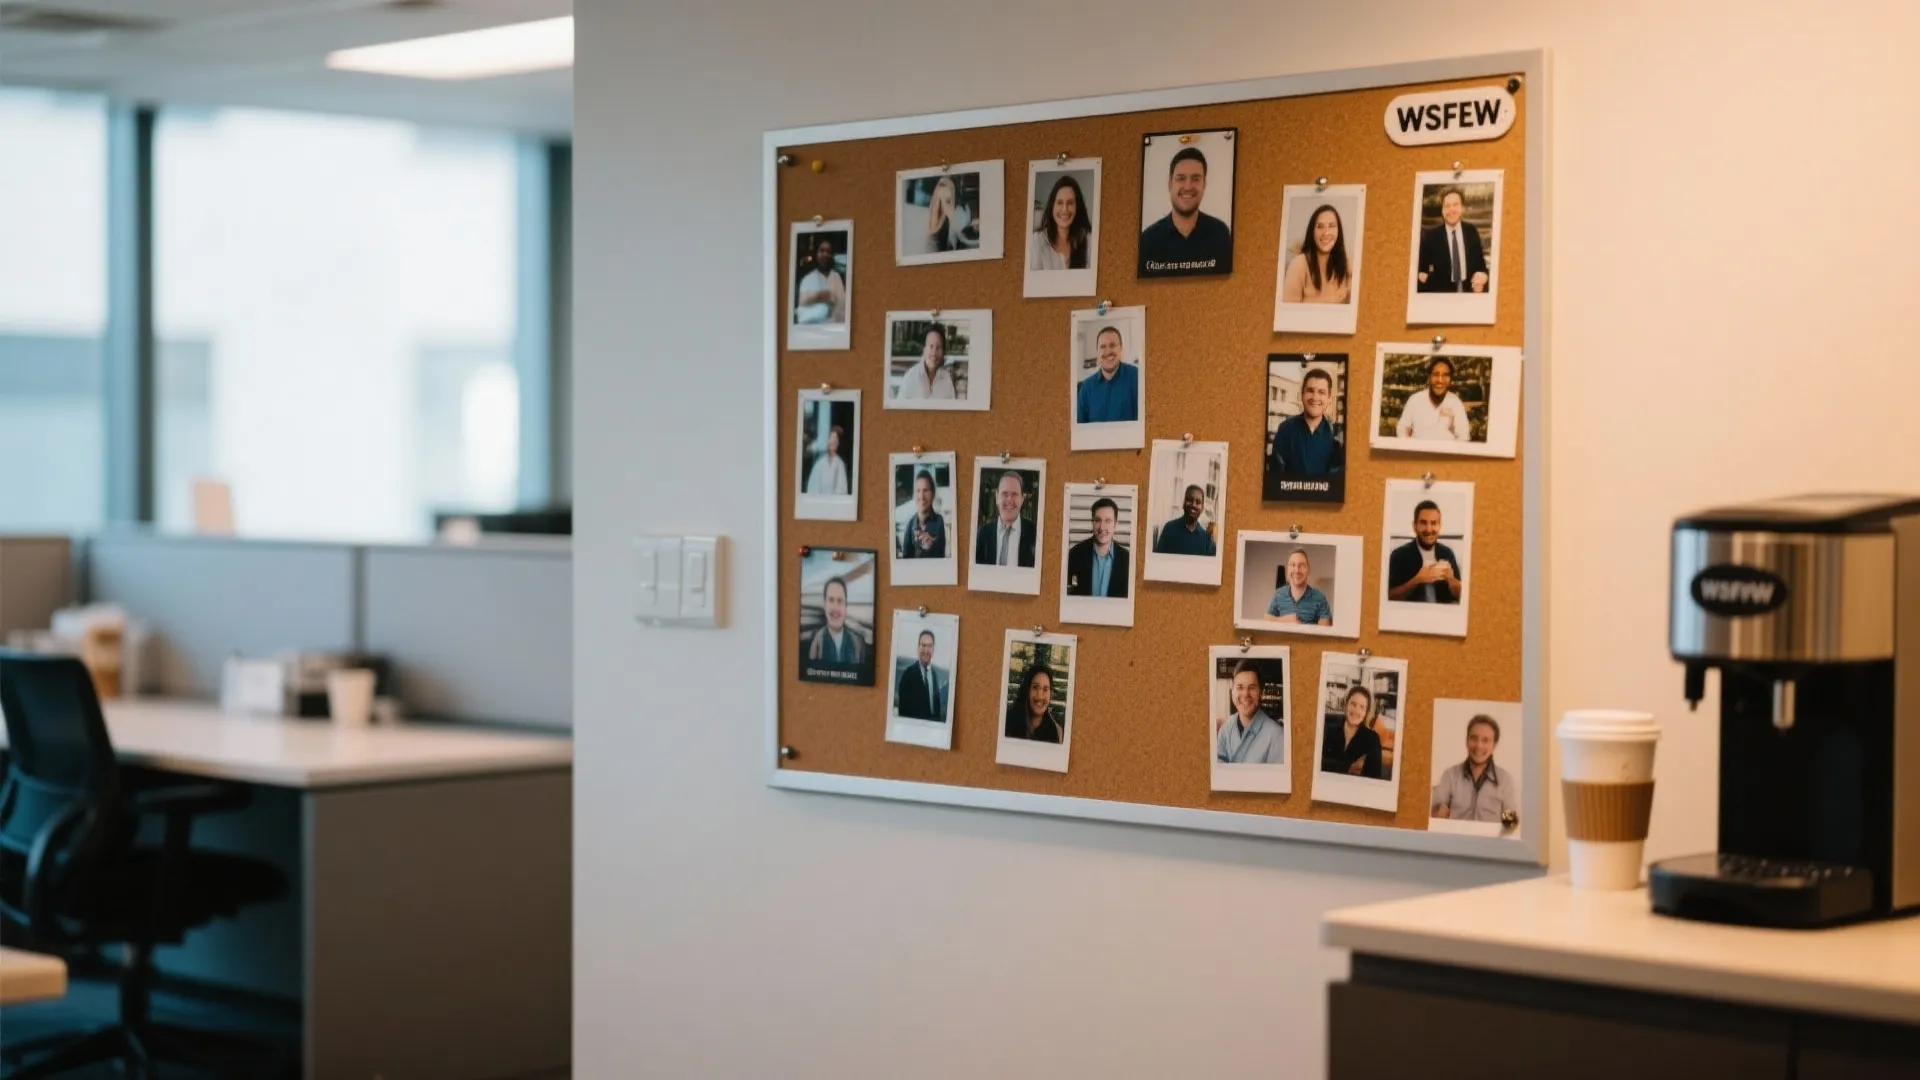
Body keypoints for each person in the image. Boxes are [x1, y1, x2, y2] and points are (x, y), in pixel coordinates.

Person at [1138, 146, 1233, 273]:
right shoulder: (1148, 240)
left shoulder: (1220, 234)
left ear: (1204, 185)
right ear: (1170, 184)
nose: (1188, 187)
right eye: (1181, 178)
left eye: (1195, 179)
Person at [1431, 714, 1515, 822]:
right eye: (1474, 738)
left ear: (1494, 745)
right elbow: (1432, 810)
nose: (1479, 745)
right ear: (1467, 741)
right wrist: (1438, 810)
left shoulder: (1505, 780)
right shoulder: (1450, 775)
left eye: (1485, 740)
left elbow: (1512, 823)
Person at [1266, 367, 1343, 478]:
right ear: (1302, 394)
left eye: (1321, 392)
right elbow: (1275, 477)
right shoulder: (1285, 429)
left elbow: (1338, 480)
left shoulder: (1336, 436)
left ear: (1329, 398)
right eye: (1310, 391)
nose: (1315, 397)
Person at [1387, 499, 1463, 604]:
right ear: (1414, 526)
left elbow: (1463, 597)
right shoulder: (1399, 555)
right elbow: (1389, 596)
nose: (1429, 529)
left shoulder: (1447, 553)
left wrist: (1451, 580)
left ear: (1440, 526)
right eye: (1423, 523)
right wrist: (1417, 580)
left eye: (1434, 523)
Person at [1415, 187, 1488, 293]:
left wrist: (1482, 277)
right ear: (1442, 210)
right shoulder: (1431, 237)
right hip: (1442, 295)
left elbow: (1481, 265)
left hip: (1469, 292)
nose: (1451, 210)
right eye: (1447, 206)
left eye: (1455, 205)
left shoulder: (1471, 231)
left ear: (1462, 208)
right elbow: (1421, 271)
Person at [1216, 660, 1284, 765]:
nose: (1245, 694)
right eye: (1240, 687)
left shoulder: (1276, 735)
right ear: (1232, 691)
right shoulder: (1225, 728)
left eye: (1252, 688)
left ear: (1260, 692)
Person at [1279, 204, 1351, 304]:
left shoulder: (1346, 263)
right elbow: (1288, 310)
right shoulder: (1299, 264)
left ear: (1339, 231)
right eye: (1320, 227)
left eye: (1331, 226)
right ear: (1312, 232)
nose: (1326, 233)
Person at [1394, 357, 1471, 442]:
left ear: (1450, 379)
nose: (1440, 380)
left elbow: (1464, 437)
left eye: (1445, 375)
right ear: (1429, 377)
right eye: (1436, 374)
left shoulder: (1456, 403)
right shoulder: (1415, 400)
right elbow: (1402, 428)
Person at [1066, 497, 1130, 598]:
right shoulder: (1074, 555)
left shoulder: (1127, 560)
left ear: (1115, 525)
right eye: (1097, 520)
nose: (1102, 527)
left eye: (1108, 521)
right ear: (1092, 522)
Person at [1074, 326, 1139, 424]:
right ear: (1097, 352)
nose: (1108, 351)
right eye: (1103, 347)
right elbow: (1079, 429)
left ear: (1121, 348)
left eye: (1112, 345)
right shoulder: (1086, 388)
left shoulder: (1137, 378)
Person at [973, 471, 1036, 568]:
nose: (1009, 499)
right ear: (997, 497)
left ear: (1022, 499)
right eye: (1005, 494)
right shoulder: (983, 534)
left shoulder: (1035, 533)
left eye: (1014, 494)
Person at [1029, 173, 1091, 271]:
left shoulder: (1089, 241)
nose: (1064, 209)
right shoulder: (1037, 241)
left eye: (1070, 203)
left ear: (1077, 207)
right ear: (1052, 206)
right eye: (1060, 203)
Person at [805, 576, 868, 671]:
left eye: (840, 601)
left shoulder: (858, 643)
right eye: (831, 600)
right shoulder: (814, 642)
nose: (835, 607)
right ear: (824, 604)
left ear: (846, 606)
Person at [1321, 685, 1383, 779]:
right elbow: (1319, 765)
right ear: (1346, 705)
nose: (1356, 710)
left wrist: (1335, 766)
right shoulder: (1329, 731)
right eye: (1353, 704)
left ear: (1366, 712)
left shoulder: (1373, 739)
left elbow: (1375, 778)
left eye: (1362, 707)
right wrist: (1348, 768)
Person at [894, 629, 951, 722]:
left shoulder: (934, 676)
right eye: (923, 645)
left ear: (933, 649)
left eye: (929, 646)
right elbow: (903, 711)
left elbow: (936, 708)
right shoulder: (908, 675)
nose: (926, 650)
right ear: (918, 647)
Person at [1266, 548, 1333, 626]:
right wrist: (1286, 620)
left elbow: (1325, 630)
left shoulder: (1320, 598)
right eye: (1293, 565)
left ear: (1308, 570)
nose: (1297, 570)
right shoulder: (1278, 594)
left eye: (1301, 565)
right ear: (1288, 569)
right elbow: (1267, 618)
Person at [895, 325, 958, 401]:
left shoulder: (947, 379)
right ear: (924, 349)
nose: (934, 353)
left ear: (943, 352)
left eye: (938, 347)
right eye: (931, 346)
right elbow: (900, 407)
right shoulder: (910, 378)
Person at [1003, 662, 1062, 743]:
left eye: (1045, 689)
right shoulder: (1006, 724)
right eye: (1035, 687)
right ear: (1027, 690)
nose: (1040, 696)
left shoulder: (1057, 732)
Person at [794, 235, 846, 323]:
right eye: (821, 251)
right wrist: (818, 297)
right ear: (816, 254)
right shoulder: (807, 280)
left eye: (828, 251)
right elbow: (802, 314)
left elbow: (843, 308)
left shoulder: (837, 277)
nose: (825, 254)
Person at [1152, 484, 1216, 556]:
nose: (1193, 505)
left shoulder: (1206, 539)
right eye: (1189, 500)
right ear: (1183, 504)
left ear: (1202, 508)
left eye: (1198, 502)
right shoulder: (1169, 529)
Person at [897, 469, 947, 560]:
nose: (921, 496)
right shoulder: (910, 524)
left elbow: (942, 557)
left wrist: (930, 548)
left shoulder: (940, 521)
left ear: (933, 493)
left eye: (925, 490)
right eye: (918, 491)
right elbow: (905, 559)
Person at [925, 176, 976, 253]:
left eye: (948, 201)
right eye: (940, 201)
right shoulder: (934, 235)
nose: (944, 207)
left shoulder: (951, 223)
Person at [804, 423, 849, 495]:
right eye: (831, 439)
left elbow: (842, 489)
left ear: (838, 443)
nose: (832, 442)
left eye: (835, 440)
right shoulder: (819, 463)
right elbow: (812, 487)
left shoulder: (840, 464)